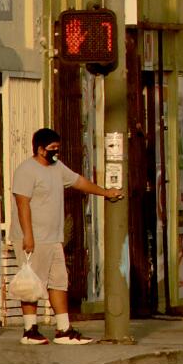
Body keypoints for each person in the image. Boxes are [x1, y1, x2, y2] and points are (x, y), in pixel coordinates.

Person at [11, 128, 123, 345]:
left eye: (58, 148)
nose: (56, 152)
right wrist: (28, 236)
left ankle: (63, 329)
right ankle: (30, 330)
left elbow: (78, 182)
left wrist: (105, 192)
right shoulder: (26, 170)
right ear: (40, 149)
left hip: (54, 238)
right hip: (35, 238)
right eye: (52, 148)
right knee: (31, 284)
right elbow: (22, 203)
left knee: (59, 282)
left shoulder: (57, 167)